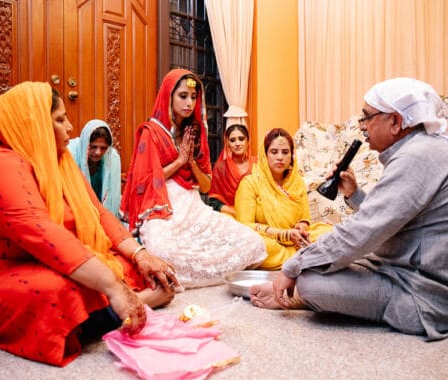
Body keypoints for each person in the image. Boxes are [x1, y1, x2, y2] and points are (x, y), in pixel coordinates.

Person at [249, 77, 448, 340]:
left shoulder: (417, 156)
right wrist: (354, 195)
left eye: (367, 117)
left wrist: (290, 269)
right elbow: (392, 222)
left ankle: (302, 296)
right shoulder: (421, 149)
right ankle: (308, 295)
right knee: (325, 259)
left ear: (395, 121)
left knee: (310, 279)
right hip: (415, 270)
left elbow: (363, 231)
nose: (362, 126)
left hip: (436, 298)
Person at [0, 81, 179, 367]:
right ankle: (137, 304)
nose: (70, 128)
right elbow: (43, 234)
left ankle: (121, 305)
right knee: (59, 290)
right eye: (60, 119)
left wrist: (141, 254)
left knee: (127, 267)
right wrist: (113, 287)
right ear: (35, 122)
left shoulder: (60, 162)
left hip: (43, 260)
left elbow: (99, 213)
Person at [121, 69, 267, 288]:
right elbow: (143, 182)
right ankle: (210, 274)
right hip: (161, 209)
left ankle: (204, 273)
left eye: (193, 97)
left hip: (193, 207)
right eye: (183, 96)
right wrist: (179, 162)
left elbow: (207, 185)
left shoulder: (196, 132)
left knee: (252, 242)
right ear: (168, 97)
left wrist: (190, 162)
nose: (189, 102)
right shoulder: (150, 132)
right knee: (161, 251)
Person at [235, 128, 332, 270]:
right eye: (274, 152)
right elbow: (245, 226)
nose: (280, 157)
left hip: (296, 241)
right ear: (265, 155)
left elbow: (305, 217)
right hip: (271, 242)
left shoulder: (297, 181)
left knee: (328, 231)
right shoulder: (250, 183)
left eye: (285, 152)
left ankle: (299, 257)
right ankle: (306, 257)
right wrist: (285, 234)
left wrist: (301, 227)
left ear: (292, 156)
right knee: (254, 244)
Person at [68, 119, 122, 218]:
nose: (98, 152)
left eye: (103, 148)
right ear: (85, 144)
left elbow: (113, 200)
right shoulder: (71, 154)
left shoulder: (112, 158)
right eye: (93, 147)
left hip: (101, 213)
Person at [208, 124, 257, 217]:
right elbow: (213, 201)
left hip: (256, 214)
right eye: (232, 140)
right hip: (231, 215)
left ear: (248, 141)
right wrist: (237, 213)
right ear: (227, 144)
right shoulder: (221, 167)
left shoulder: (258, 164)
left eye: (241, 139)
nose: (237, 144)